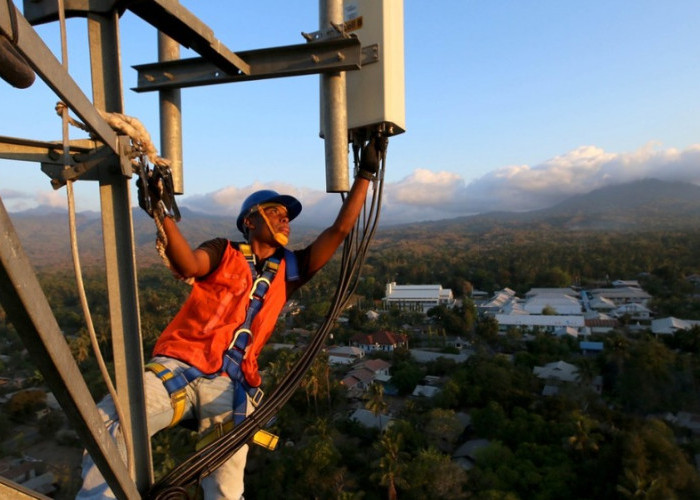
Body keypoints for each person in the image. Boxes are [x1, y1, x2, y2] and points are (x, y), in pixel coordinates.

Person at [77, 138, 383, 500]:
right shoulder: (224, 252)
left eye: (287, 216)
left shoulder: (290, 270)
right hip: (177, 366)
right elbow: (188, 264)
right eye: (276, 211)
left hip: (229, 384)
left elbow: (339, 232)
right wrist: (162, 212)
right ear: (250, 220)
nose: (285, 219)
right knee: (109, 424)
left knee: (226, 485)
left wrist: (365, 173)